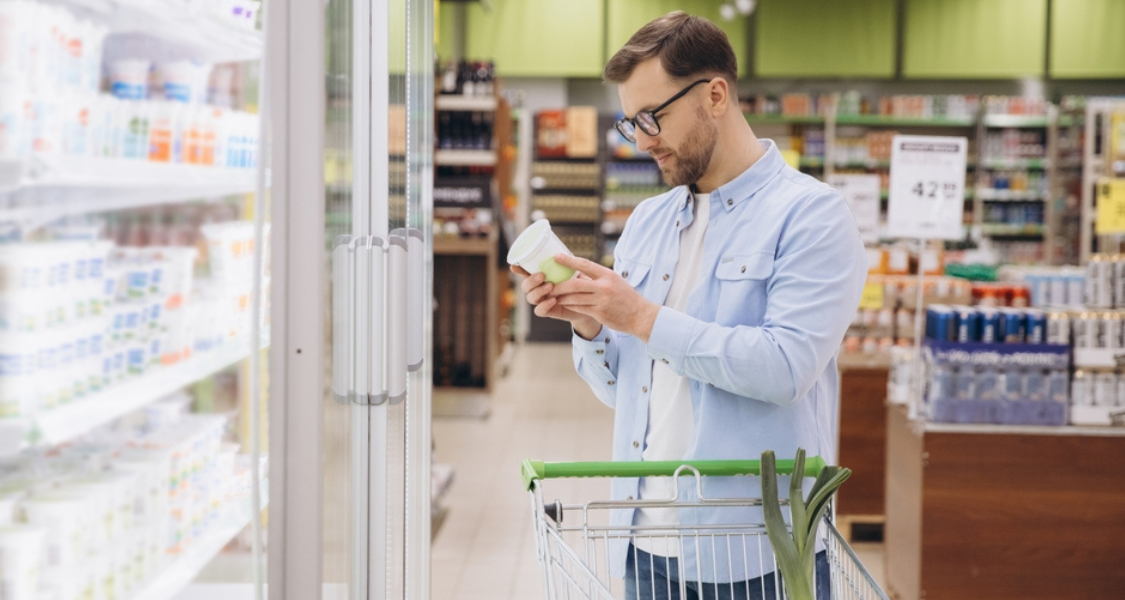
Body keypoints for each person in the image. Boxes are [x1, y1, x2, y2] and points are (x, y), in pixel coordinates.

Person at [512, 11, 866, 600]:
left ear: (716, 95)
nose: (643, 139)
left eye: (653, 117)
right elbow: (628, 392)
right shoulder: (649, 221)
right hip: (644, 544)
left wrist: (643, 318)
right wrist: (591, 325)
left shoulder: (811, 217)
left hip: (757, 552)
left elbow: (785, 369)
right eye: (631, 123)